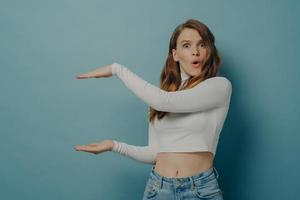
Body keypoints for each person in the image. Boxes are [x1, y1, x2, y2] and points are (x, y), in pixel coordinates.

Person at [74, 19, 232, 200]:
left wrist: (117, 69)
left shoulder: (219, 86)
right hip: (158, 189)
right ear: (175, 54)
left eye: (201, 44)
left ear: (209, 51)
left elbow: (163, 101)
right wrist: (114, 145)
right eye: (186, 45)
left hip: (200, 190)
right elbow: (154, 153)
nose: (195, 51)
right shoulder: (161, 99)